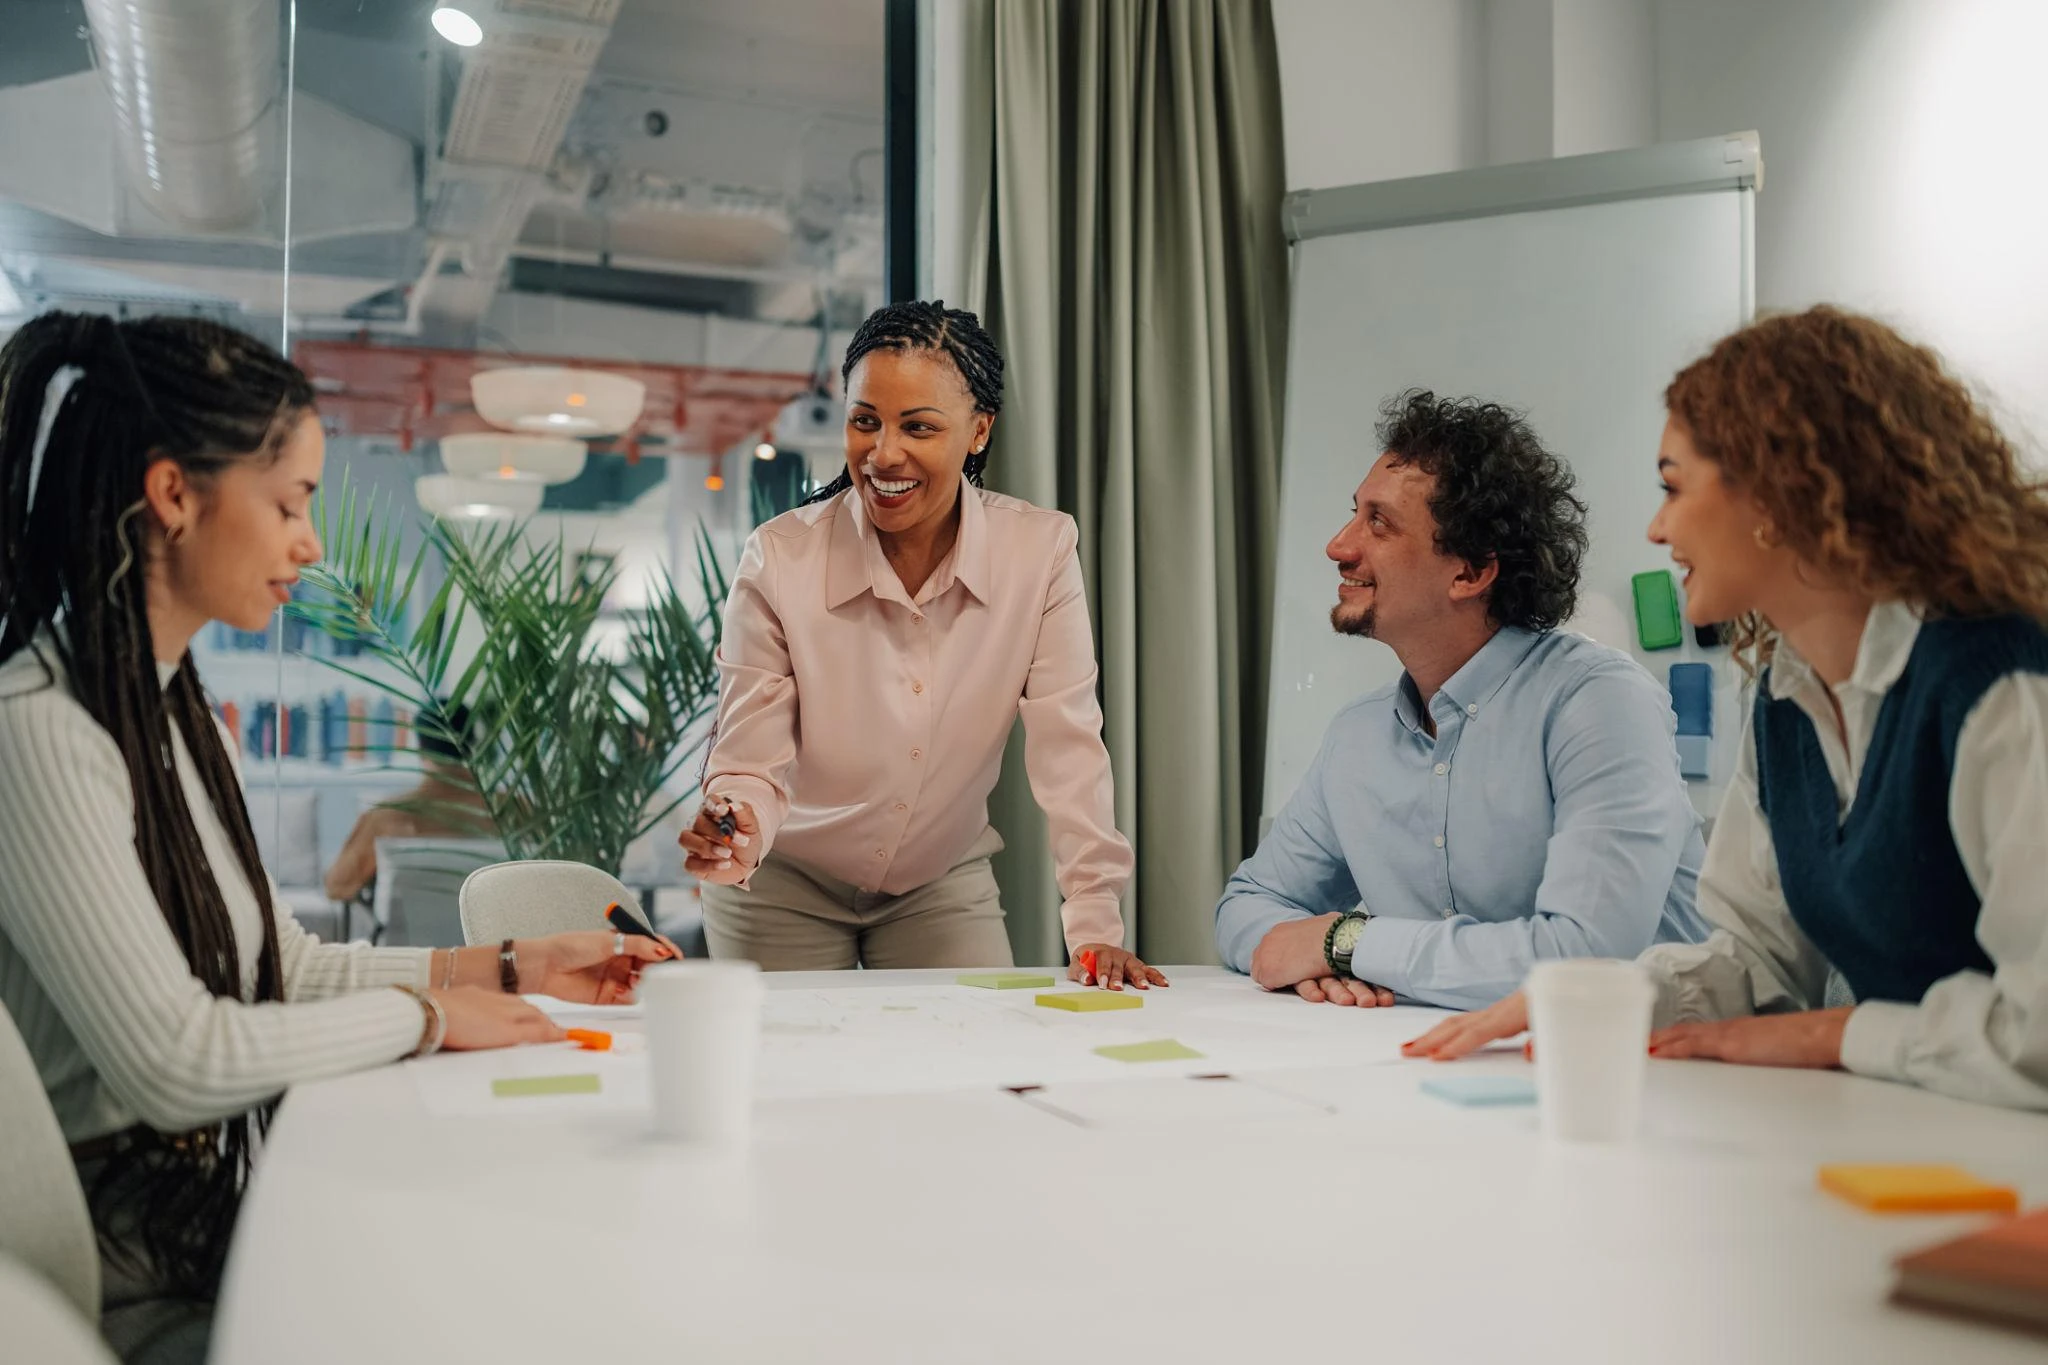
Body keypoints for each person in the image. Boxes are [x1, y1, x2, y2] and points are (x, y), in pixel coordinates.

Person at [0, 313, 678, 1359]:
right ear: (174, 494)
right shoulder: (42, 729)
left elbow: (288, 963)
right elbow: (179, 1061)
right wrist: (429, 1017)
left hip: (203, 1199)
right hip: (131, 1260)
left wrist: (513, 965)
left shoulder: (170, 709)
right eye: (289, 504)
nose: (309, 544)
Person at [1406, 307, 2048, 1111]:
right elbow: (1761, 958)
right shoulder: (1787, 695)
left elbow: (2041, 1030)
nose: (1657, 524)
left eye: (1674, 486)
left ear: (1783, 492)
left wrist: (1837, 1033)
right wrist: (1596, 995)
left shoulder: (2002, 682)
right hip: (1921, 1144)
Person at [680, 301, 1156, 988]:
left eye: (918, 427)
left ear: (978, 431)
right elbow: (751, 758)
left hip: (938, 884)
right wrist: (733, 831)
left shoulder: (1040, 552)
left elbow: (1069, 747)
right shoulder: (780, 559)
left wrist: (1095, 927)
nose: (883, 453)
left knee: (972, 1074)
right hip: (784, 887)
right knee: (796, 1087)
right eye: (864, 420)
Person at [1214, 391, 1707, 1009]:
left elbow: (1584, 958)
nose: (1339, 546)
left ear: (1470, 573)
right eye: (1353, 514)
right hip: (1442, 1070)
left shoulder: (1600, 702)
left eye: (1379, 523)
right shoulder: (1358, 735)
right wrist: (1305, 954)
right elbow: (1246, 906)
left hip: (1648, 1077)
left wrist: (1346, 942)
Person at [321, 704, 492, 903]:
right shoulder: (515, 813)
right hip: (494, 933)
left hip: (408, 933)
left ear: (420, 747)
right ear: (472, 743)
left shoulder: (387, 818)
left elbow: (337, 886)